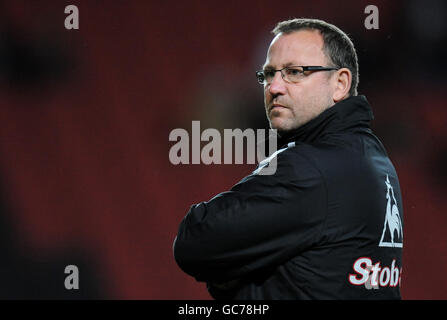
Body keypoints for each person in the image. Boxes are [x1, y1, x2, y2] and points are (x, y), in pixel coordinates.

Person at [173, 18, 404, 299]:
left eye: (295, 72)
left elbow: (194, 241)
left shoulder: (310, 168)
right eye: (269, 74)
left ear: (341, 83)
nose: (274, 88)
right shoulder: (376, 160)